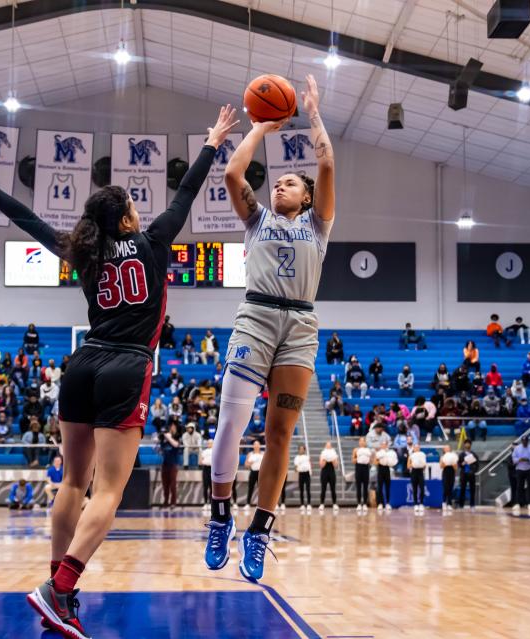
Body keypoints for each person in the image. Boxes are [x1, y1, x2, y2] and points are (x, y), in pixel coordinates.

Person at [204, 78, 334, 582]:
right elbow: (235, 171)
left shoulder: (318, 224)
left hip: (300, 324)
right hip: (255, 317)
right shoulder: (256, 219)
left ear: (306, 199)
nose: (279, 184)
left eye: (289, 184)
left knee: (280, 433)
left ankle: (259, 528)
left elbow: (325, 165)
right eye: (276, 182)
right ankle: (220, 517)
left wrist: (313, 114)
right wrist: (259, 127)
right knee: (231, 423)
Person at [511, 436, 530, 515]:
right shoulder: (517, 448)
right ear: (521, 441)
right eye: (523, 441)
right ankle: (518, 503)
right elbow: (514, 458)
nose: (524, 442)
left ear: (528, 441)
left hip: (529, 469)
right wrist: (519, 460)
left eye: (526, 441)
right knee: (519, 486)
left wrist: (529, 459)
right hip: (519, 469)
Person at [160, 422, 183, 509]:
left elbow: (176, 445)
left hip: (173, 465)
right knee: (165, 485)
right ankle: (166, 502)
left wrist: (169, 438)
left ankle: (173, 503)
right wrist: (164, 438)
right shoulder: (165, 442)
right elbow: (160, 445)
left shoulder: (176, 439)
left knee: (173, 485)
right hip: (164, 465)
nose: (172, 428)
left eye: (174, 427)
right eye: (171, 427)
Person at [375, 441, 397, 512]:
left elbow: (392, 461)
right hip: (380, 469)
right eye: (382, 444)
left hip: (387, 469)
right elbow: (375, 462)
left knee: (387, 486)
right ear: (381, 445)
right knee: (379, 487)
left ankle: (387, 503)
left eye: (385, 444)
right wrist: (380, 460)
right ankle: (380, 503)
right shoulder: (378, 453)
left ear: (386, 445)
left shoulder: (390, 453)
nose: (384, 446)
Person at [352, 437, 372, 514]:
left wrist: (367, 458)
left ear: (365, 442)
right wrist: (358, 458)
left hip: (366, 468)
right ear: (359, 442)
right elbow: (353, 460)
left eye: (363, 441)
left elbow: (371, 460)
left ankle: (365, 504)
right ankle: (359, 503)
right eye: (360, 441)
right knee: (359, 486)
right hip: (358, 468)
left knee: (365, 486)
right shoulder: (356, 450)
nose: (362, 442)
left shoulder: (368, 450)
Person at [319, 441, 339, 513]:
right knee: (323, 488)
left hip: (331, 472)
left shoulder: (334, 453)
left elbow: (336, 465)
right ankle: (322, 503)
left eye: (329, 446)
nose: (328, 447)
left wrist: (333, 459)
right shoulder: (323, 453)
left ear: (331, 447)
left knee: (333, 488)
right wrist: (325, 459)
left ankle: (334, 503)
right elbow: (321, 465)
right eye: (327, 446)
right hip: (324, 472)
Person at [407, 444, 427, 515]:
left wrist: (422, 465)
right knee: (414, 489)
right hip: (414, 472)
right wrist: (413, 464)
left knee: (422, 488)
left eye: (418, 447)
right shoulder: (411, 456)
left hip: (420, 472)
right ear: (413, 449)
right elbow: (408, 466)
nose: (417, 448)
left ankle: (421, 504)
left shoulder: (422, 455)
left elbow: (424, 465)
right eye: (415, 447)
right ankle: (415, 504)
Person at [244, 440, 264, 506]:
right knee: (250, 487)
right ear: (253, 446)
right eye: (255, 444)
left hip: (261, 473)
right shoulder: (250, 454)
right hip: (253, 472)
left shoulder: (263, 454)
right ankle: (248, 503)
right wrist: (250, 463)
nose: (256, 446)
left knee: (261, 489)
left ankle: (261, 504)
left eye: (258, 444)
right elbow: (246, 465)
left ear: (259, 446)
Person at [293, 444, 312, 514]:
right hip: (301, 474)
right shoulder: (297, 458)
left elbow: (309, 465)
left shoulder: (307, 457)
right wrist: (297, 469)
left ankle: (309, 504)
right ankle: (302, 505)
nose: (301, 450)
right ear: (298, 450)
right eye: (300, 449)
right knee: (301, 490)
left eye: (302, 449)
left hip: (307, 474)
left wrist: (310, 471)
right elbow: (295, 467)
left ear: (304, 450)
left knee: (308, 489)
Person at [199, 440, 214, 512]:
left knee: (212, 487)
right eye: (209, 443)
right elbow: (200, 461)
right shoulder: (204, 451)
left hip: (213, 469)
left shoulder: (216, 451)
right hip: (205, 469)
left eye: (211, 443)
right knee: (205, 486)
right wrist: (204, 462)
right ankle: (205, 503)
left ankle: (211, 503)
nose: (210, 444)